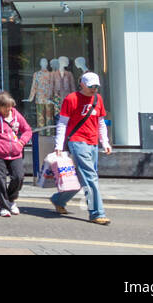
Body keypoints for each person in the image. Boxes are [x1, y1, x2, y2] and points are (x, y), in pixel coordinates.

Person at [52, 71, 113, 225]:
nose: (94, 89)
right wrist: (59, 145)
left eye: (96, 86)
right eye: (91, 86)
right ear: (83, 84)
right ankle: (97, 213)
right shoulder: (71, 99)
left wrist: (104, 142)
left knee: (83, 178)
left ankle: (58, 199)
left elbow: (101, 122)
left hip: (93, 143)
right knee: (91, 178)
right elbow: (62, 123)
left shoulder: (98, 99)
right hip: (77, 142)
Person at [0, 91, 32, 218]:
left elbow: (27, 130)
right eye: (5, 107)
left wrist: (21, 142)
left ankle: (11, 200)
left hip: (15, 153)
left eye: (10, 106)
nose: (8, 109)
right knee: (0, 180)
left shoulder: (16, 115)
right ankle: (4, 206)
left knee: (18, 177)